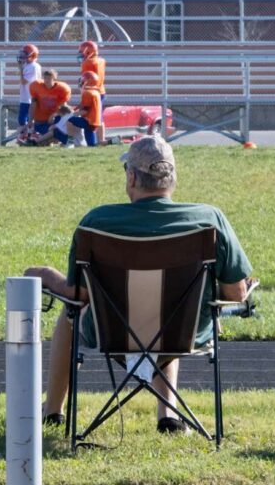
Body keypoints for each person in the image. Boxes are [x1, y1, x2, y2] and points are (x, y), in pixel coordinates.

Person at [23, 134, 254, 433]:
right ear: (172, 178)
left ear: (132, 177)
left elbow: (78, 295)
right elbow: (235, 294)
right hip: (183, 332)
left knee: (70, 315)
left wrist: (44, 274)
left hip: (113, 331)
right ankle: (168, 415)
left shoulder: (97, 221)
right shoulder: (209, 219)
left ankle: (52, 410)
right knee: (173, 308)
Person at [21, 72, 73, 147]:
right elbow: (33, 105)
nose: (46, 80)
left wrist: (53, 115)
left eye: (49, 78)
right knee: (30, 130)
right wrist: (30, 120)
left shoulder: (62, 88)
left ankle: (38, 142)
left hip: (55, 119)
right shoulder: (37, 86)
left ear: (54, 79)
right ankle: (40, 141)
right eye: (45, 78)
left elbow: (63, 107)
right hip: (41, 119)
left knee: (55, 131)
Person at [76, 38, 108, 149]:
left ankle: (95, 140)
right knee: (99, 116)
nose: (81, 55)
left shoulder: (87, 63)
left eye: (83, 52)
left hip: (91, 91)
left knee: (90, 118)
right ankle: (101, 139)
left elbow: (86, 78)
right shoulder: (101, 60)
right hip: (101, 90)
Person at [15, 42, 43, 138]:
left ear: (32, 55)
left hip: (29, 98)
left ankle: (28, 136)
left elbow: (23, 81)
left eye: (25, 54)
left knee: (24, 120)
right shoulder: (28, 65)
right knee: (23, 120)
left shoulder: (33, 66)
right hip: (26, 97)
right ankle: (26, 136)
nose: (22, 56)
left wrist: (20, 70)